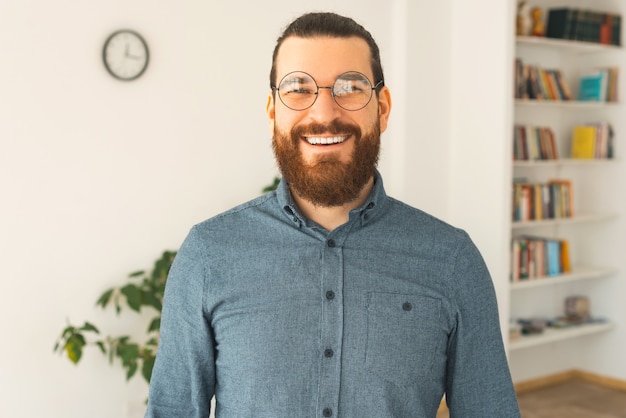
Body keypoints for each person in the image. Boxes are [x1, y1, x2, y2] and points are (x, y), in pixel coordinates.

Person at [145, 12, 521, 418]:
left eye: (351, 87)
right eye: (298, 88)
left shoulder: (452, 260)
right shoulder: (207, 255)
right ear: (272, 111)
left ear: (383, 107)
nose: (324, 112)